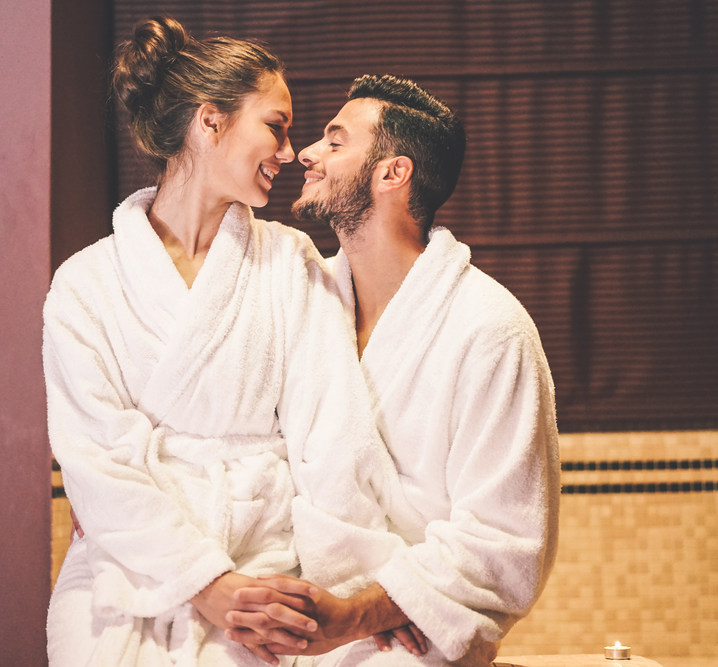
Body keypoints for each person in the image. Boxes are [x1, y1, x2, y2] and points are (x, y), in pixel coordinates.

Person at [44, 20, 411, 667]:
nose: (290, 150)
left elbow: (333, 439)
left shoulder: (291, 261)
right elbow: (97, 465)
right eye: (276, 125)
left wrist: (362, 599)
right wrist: (207, 585)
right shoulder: (84, 285)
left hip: (265, 562)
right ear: (210, 122)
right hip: (130, 569)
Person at [224, 75, 561, 667]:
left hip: (411, 641)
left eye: (335, 141)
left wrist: (360, 614)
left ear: (391, 174)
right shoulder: (304, 303)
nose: (305, 152)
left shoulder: (489, 331)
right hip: (289, 627)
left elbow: (506, 546)